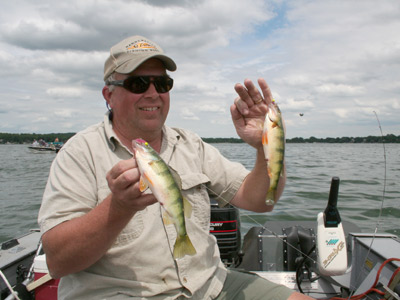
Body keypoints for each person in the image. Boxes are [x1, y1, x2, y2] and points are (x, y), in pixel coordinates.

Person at [38, 35, 313, 300]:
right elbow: (59, 263)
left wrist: (266, 145)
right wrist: (119, 208)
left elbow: (259, 201)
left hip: (210, 286)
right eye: (138, 84)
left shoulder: (191, 144)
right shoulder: (79, 153)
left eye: (162, 83)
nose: (152, 93)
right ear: (108, 95)